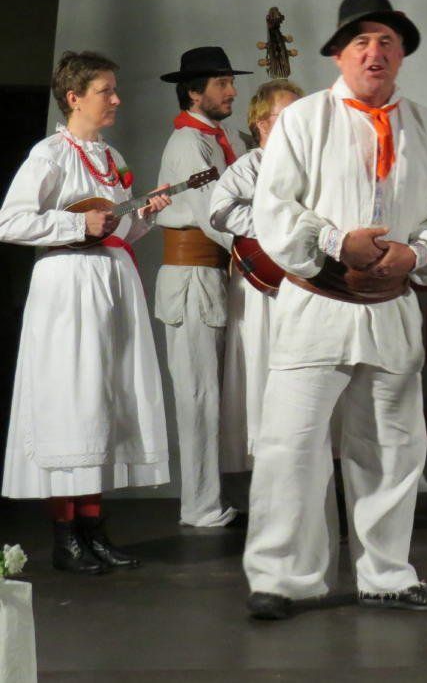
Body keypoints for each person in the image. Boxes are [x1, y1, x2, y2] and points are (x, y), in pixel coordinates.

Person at [243, 0, 427, 620]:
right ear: (339, 54)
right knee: (291, 446)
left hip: (389, 308)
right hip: (318, 305)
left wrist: (415, 254)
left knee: (391, 448)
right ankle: (282, 578)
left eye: (386, 42)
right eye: (361, 41)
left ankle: (387, 574)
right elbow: (274, 208)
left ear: (402, 55)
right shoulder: (304, 119)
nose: (374, 52)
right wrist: (338, 242)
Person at [0, 51, 171, 573]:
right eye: (105, 91)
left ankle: (94, 528)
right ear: (74, 98)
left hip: (110, 283)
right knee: (71, 399)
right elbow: (10, 221)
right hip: (69, 287)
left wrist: (143, 214)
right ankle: (65, 535)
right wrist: (77, 226)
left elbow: (116, 229)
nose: (116, 99)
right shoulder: (50, 154)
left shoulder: (111, 157)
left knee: (105, 398)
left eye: (115, 89)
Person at [156, 46, 249, 528]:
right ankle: (199, 504)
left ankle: (211, 497)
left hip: (215, 274)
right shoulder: (188, 144)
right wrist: (266, 247)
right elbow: (216, 215)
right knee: (197, 393)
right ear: (194, 92)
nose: (232, 91)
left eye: (231, 81)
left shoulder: (220, 137)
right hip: (192, 277)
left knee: (214, 392)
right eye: (221, 83)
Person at [209, 79, 302, 475]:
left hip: (305, 285)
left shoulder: (312, 165)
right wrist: (272, 224)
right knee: (263, 364)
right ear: (262, 123)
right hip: (263, 287)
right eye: (289, 116)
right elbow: (220, 211)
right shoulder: (249, 166)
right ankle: (266, 466)